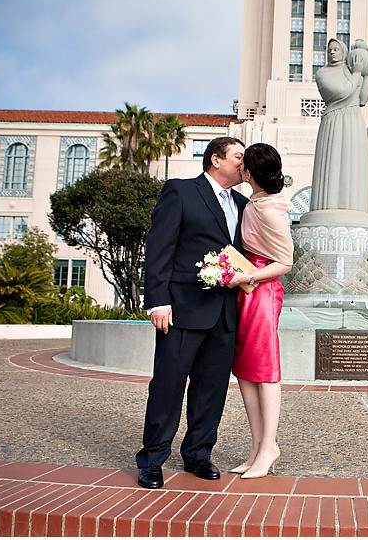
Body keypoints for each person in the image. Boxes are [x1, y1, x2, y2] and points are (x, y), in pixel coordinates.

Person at [136, 136, 248, 490]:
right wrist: (157, 300)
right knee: (168, 385)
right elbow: (159, 247)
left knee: (212, 388)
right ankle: (153, 459)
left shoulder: (245, 205)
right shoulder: (181, 192)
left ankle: (198, 454)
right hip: (182, 308)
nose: (243, 164)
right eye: (238, 157)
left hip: (226, 313)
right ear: (216, 160)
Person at [225, 143, 294, 479]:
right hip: (247, 288)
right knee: (245, 369)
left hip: (263, 292)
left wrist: (248, 275)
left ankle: (269, 447)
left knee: (265, 371)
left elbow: (286, 262)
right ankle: (257, 448)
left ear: (250, 174)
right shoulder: (255, 202)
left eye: (243, 164)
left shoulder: (270, 210)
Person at [307, 37, 368, 213]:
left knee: (353, 164)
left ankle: (354, 208)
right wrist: (358, 73)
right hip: (334, 120)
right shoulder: (322, 73)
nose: (332, 52)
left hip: (353, 119)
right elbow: (343, 91)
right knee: (332, 163)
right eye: (329, 50)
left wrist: (365, 77)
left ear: (344, 51)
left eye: (336, 49)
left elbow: (363, 99)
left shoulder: (350, 69)